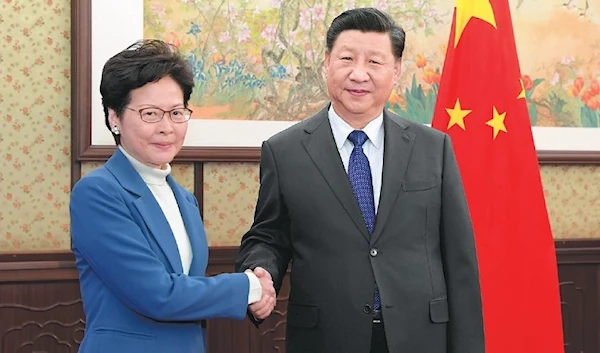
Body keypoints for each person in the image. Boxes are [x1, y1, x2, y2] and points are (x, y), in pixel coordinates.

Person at [235, 7, 485, 353]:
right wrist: (260, 271)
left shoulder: (433, 148)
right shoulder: (285, 151)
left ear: (396, 71)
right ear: (326, 62)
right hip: (325, 338)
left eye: (374, 62)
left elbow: (459, 258)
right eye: (347, 58)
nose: (358, 74)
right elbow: (269, 235)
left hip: (420, 336)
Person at [69, 39, 275, 353]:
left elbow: (189, 290)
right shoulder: (98, 193)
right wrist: (247, 286)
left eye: (176, 112)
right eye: (151, 113)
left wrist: (253, 293)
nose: (167, 127)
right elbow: (157, 295)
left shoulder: (184, 199)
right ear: (114, 117)